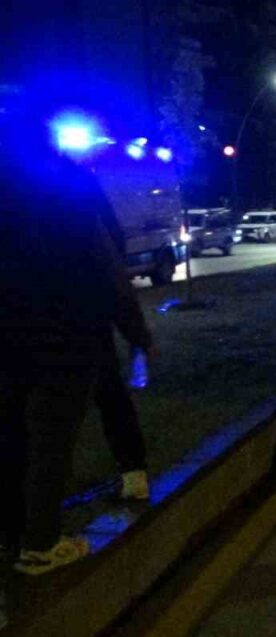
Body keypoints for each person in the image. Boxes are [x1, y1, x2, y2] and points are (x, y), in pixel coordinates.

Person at [0, 118, 153, 575]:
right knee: (53, 436)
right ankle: (41, 544)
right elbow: (107, 262)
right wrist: (136, 333)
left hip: (10, 336)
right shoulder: (71, 187)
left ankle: (13, 534)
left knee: (12, 433)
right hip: (69, 332)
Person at [94, 182, 153, 500]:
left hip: (28, 326)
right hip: (82, 321)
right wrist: (137, 335)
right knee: (110, 396)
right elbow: (112, 268)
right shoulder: (77, 191)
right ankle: (133, 473)